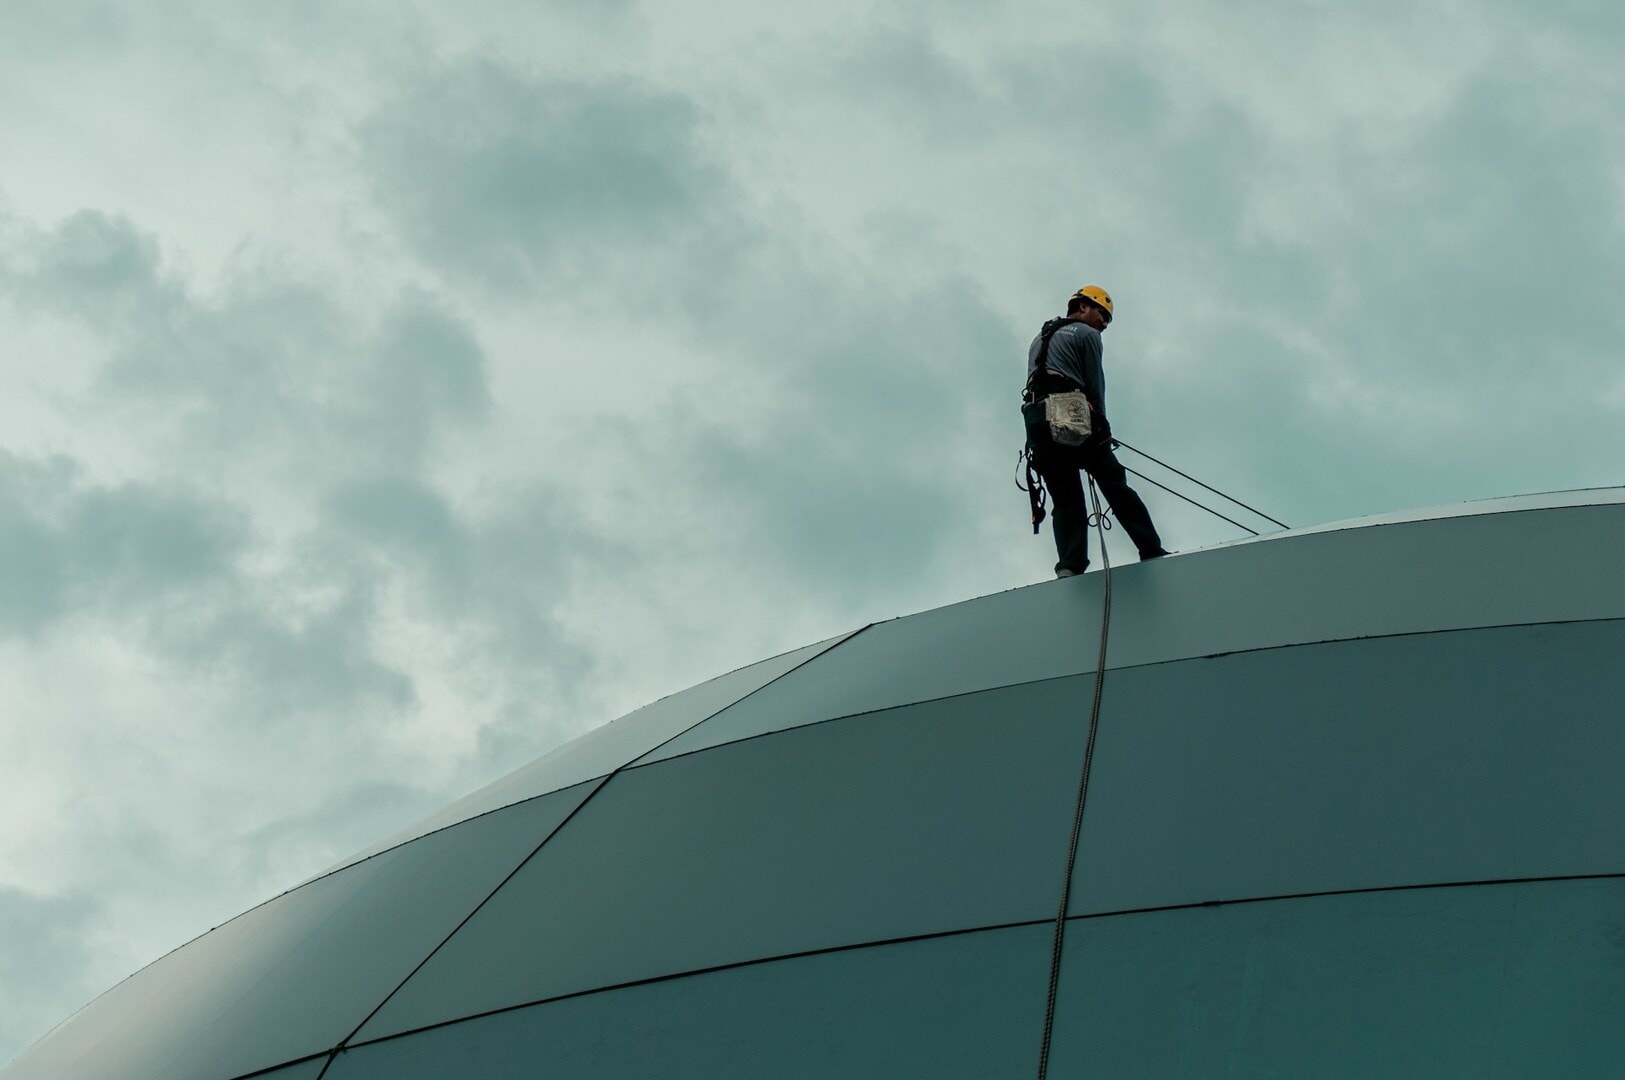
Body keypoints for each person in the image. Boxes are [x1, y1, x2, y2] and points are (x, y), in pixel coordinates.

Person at [1025, 285, 1168, 577]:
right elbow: (1094, 384)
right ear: (1082, 307)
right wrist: (1102, 426)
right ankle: (1151, 549)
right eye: (1102, 314)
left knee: (1065, 499)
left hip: (1037, 422)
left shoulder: (1038, 339)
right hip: (1070, 413)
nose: (1104, 323)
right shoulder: (1087, 335)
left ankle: (1068, 566)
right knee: (1115, 485)